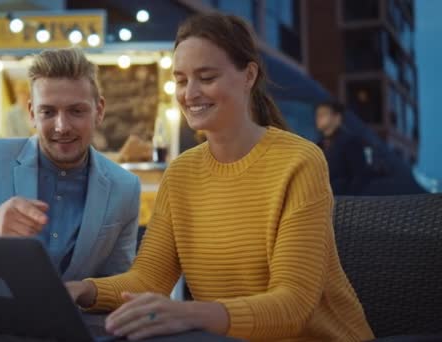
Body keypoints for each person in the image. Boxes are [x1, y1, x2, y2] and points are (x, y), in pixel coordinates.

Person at [66, 13, 374, 341]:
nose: (190, 93)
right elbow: (148, 281)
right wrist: (82, 290)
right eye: (181, 80)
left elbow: (293, 306)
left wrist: (187, 313)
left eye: (207, 77)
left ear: (249, 76)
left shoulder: (299, 162)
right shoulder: (181, 174)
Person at [0, 48, 141, 312]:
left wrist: (88, 294)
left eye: (76, 111)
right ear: (32, 114)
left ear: (99, 110)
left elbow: (117, 285)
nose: (62, 126)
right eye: (48, 112)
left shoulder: (125, 187)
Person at [315, 101, 371, 195]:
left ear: (337, 117)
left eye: (323, 114)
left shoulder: (350, 142)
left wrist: (349, 199)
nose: (318, 118)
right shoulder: (318, 145)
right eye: (317, 115)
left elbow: (359, 176)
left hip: (343, 201)